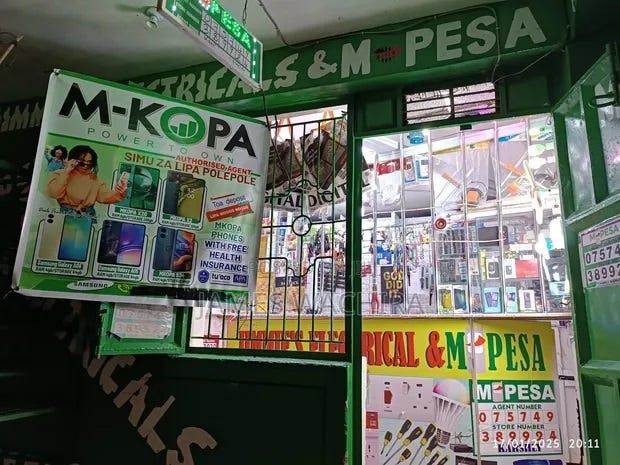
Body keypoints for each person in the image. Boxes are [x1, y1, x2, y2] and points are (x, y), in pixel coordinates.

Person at [46, 145, 127, 222]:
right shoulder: (58, 174)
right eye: (82, 163)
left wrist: (120, 193)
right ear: (73, 160)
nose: (85, 166)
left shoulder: (95, 180)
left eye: (89, 163)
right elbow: (54, 194)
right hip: (66, 213)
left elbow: (104, 196)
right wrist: (67, 171)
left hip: (88, 215)